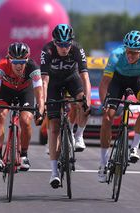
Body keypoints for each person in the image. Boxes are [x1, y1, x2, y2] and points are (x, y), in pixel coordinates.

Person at [97, 30, 140, 182]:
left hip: (139, 79)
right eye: (128, 52)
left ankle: (134, 147)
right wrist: (104, 102)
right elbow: (104, 83)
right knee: (107, 117)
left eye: (134, 53)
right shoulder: (116, 55)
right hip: (117, 81)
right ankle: (103, 163)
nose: (130, 56)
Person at [41, 24, 91, 188]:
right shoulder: (47, 51)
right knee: (54, 127)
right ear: (54, 43)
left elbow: (85, 76)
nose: (64, 48)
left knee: (83, 103)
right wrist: (43, 103)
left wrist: (87, 100)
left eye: (67, 44)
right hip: (53, 84)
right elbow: (44, 81)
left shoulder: (77, 49)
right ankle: (54, 173)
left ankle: (78, 136)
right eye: (60, 44)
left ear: (72, 42)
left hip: (72, 79)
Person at [0, 42, 44, 173]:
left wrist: (40, 112)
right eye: (15, 62)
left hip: (25, 92)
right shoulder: (0, 67)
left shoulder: (33, 68)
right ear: (9, 59)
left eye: (22, 62)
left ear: (27, 59)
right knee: (0, 115)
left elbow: (39, 94)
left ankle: (24, 155)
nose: (19, 66)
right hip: (5, 91)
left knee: (25, 120)